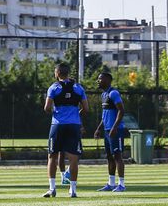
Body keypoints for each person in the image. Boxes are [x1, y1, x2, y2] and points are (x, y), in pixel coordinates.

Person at [43, 62, 88, 198]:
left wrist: (56, 112)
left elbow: (46, 108)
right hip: (74, 125)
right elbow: (86, 109)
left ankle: (52, 189)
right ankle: (72, 190)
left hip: (58, 125)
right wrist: (75, 115)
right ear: (68, 73)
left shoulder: (53, 88)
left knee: (52, 156)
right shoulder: (78, 88)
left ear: (57, 73)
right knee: (73, 158)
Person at [94, 72, 126, 192]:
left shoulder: (113, 93)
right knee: (109, 157)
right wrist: (99, 128)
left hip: (115, 130)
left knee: (117, 156)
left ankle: (121, 185)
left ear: (107, 80)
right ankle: (111, 183)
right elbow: (105, 115)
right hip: (107, 130)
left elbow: (121, 111)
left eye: (100, 79)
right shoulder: (103, 95)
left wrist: (114, 127)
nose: (98, 81)